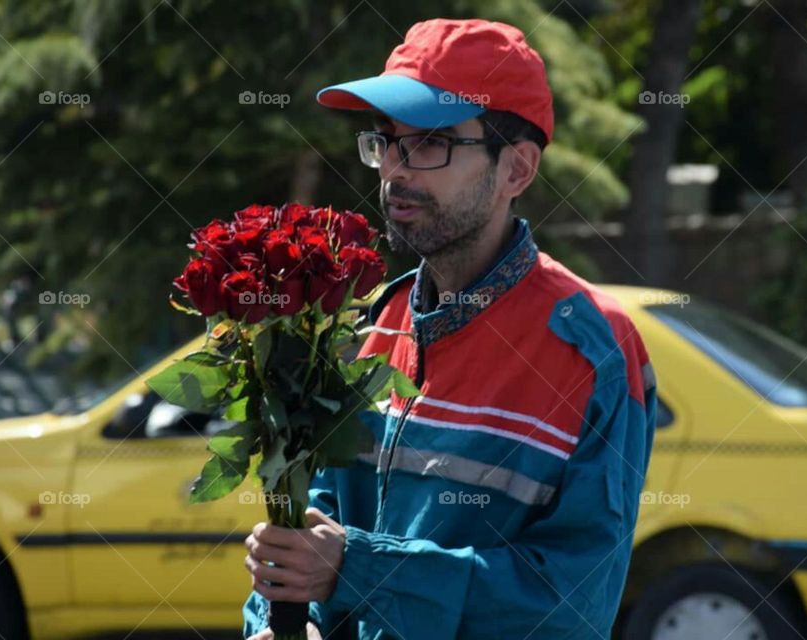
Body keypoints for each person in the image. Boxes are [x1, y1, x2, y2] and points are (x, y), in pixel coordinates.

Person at [242, 17, 657, 640]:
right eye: (386, 140)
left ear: (516, 170)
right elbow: (313, 534)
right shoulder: (367, 325)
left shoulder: (596, 351)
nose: (394, 172)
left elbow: (571, 605)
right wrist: (276, 621)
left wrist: (360, 568)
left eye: (430, 143)